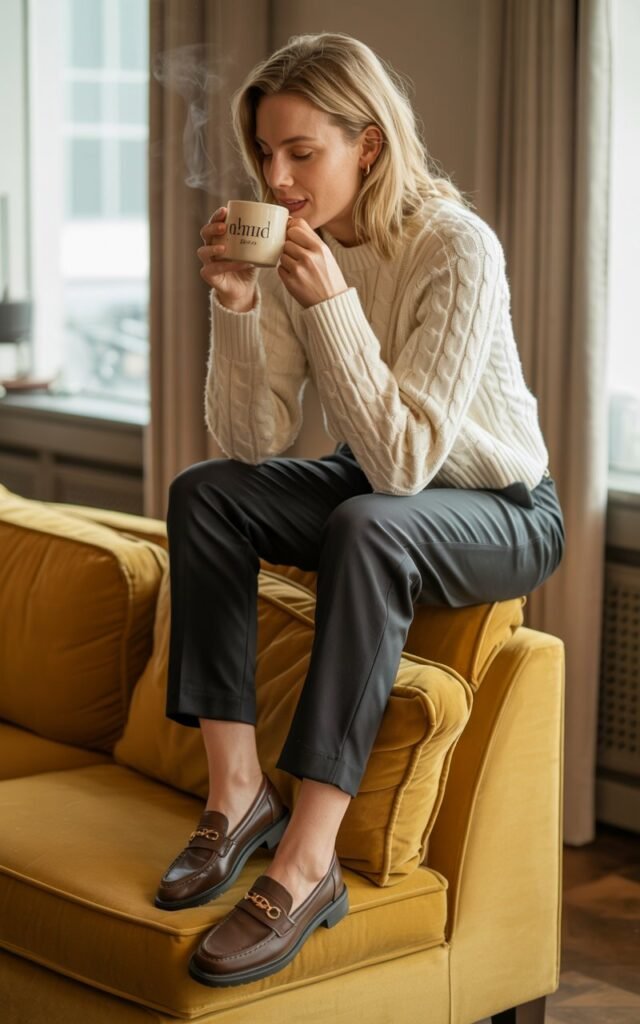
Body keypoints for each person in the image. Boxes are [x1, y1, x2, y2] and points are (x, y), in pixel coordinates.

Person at [156, 31, 566, 988]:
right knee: (205, 496)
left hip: (501, 504)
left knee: (367, 522)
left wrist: (332, 298)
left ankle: (307, 861)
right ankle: (238, 796)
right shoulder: (302, 247)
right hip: (385, 481)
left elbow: (407, 461)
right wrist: (237, 306)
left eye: (304, 153)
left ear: (368, 146)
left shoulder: (455, 247)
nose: (280, 177)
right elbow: (249, 442)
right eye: (267, 154)